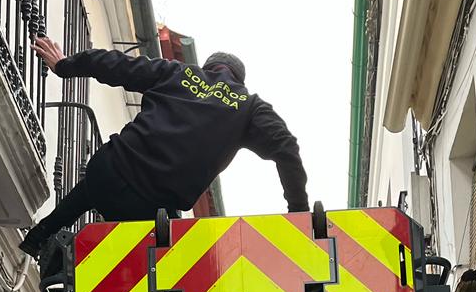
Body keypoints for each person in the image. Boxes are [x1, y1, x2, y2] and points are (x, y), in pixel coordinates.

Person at [20, 37, 310, 257]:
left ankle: (40, 235)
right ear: (238, 79)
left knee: (93, 186)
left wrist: (64, 66)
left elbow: (117, 65)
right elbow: (286, 147)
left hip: (108, 172)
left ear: (207, 68)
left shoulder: (178, 73)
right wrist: (298, 210)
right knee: (164, 260)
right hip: (149, 207)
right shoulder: (249, 107)